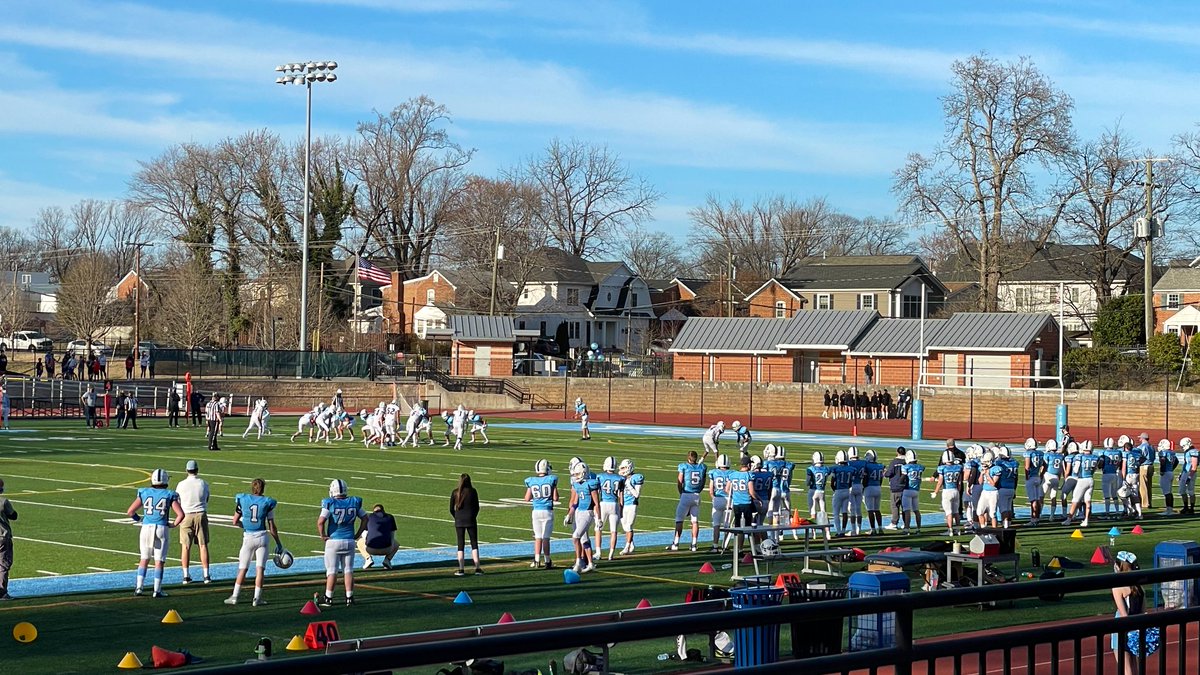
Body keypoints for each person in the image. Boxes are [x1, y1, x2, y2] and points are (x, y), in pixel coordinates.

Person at [224, 478, 282, 606]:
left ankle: (235, 596)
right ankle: (257, 598)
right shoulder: (268, 502)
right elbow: (272, 526)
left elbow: (234, 521)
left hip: (248, 537)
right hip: (262, 537)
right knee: (260, 569)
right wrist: (278, 543)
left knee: (243, 569)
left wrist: (244, 525)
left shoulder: (242, 499)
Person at [126, 469, 184, 598]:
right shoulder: (169, 494)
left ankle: (139, 588)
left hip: (146, 527)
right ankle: (157, 590)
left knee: (144, 559)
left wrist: (140, 519)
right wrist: (173, 524)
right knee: (159, 561)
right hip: (161, 528)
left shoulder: (144, 492)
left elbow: (130, 512)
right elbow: (181, 514)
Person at [318, 479, 367, 606]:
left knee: (332, 571)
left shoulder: (330, 503)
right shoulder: (354, 502)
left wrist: (323, 535)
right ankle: (349, 598)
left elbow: (321, 521)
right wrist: (358, 533)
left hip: (334, 541)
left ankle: (328, 598)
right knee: (348, 570)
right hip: (349, 540)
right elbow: (365, 518)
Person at [1111, 551, 1159, 674]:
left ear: (1118, 566)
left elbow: (1123, 614)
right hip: (1138, 627)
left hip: (1122, 628)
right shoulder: (1139, 587)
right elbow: (1143, 612)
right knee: (1135, 668)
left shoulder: (1117, 586)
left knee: (1126, 669)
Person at [177, 460, 211, 584]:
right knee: (203, 545)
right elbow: (207, 498)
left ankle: (186, 575)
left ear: (186, 470)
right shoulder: (203, 483)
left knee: (185, 546)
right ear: (197, 470)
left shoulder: (181, 484)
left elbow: (178, 501)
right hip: (200, 513)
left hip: (186, 515)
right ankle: (206, 575)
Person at [668, 450, 707, 551]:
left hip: (686, 494)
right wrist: (698, 490)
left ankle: (676, 543)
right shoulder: (702, 467)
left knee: (679, 519)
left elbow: (680, 481)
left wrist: (681, 493)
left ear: (688, 458)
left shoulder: (683, 466)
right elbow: (703, 482)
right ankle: (694, 544)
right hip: (697, 495)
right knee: (695, 521)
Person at [524, 460, 558, 569]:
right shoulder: (551, 479)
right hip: (548, 511)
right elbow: (556, 498)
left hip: (536, 511)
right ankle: (547, 561)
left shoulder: (531, 480)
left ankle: (537, 560)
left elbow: (527, 498)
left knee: (538, 537)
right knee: (546, 538)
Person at [567, 461, 600, 572]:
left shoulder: (591, 484)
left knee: (576, 536)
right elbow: (575, 502)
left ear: (583, 473)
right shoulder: (577, 485)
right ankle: (590, 563)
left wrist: (598, 518)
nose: (575, 476)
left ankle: (579, 561)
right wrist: (570, 514)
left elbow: (596, 503)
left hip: (588, 512)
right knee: (584, 539)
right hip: (579, 512)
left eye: (577, 474)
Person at [450, 474, 482, 576]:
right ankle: (477, 568)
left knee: (460, 544)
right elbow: (477, 507)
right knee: (474, 543)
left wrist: (457, 517)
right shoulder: (473, 492)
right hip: (471, 519)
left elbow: (451, 509)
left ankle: (461, 569)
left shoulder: (455, 492)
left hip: (459, 520)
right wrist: (473, 516)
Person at [1063, 441, 1099, 528]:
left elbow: (1075, 470)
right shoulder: (1095, 457)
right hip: (1090, 479)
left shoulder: (1080, 456)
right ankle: (1086, 520)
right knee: (1088, 500)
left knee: (1075, 500)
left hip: (1082, 479)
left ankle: (1069, 519)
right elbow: (1094, 469)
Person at [595, 457, 625, 560]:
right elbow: (621, 495)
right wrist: (621, 509)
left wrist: (595, 506)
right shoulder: (620, 478)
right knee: (613, 531)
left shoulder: (600, 477)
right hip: (614, 504)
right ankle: (611, 554)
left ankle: (598, 552)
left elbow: (597, 493)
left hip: (603, 504)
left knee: (598, 528)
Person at [357, 503, 399, 570]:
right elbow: (392, 533)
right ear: (383, 510)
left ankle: (368, 558)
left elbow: (364, 533)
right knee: (396, 544)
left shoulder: (369, 517)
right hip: (387, 549)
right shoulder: (390, 517)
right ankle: (387, 560)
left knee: (359, 542)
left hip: (370, 549)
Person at [931, 449, 963, 536]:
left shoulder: (942, 468)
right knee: (956, 512)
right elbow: (960, 482)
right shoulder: (958, 467)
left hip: (947, 491)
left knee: (948, 512)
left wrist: (935, 492)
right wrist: (958, 491)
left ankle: (950, 530)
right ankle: (958, 530)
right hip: (955, 490)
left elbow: (940, 481)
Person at [617, 459, 644, 556]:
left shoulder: (636, 478)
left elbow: (637, 495)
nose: (622, 470)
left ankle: (627, 547)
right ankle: (631, 544)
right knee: (625, 526)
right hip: (624, 504)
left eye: (624, 468)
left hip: (632, 504)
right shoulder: (622, 479)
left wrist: (628, 484)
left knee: (628, 526)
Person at [0, 477, 17, 600]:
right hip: (2, 536)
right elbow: (13, 515)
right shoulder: (3, 502)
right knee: (3, 564)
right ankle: (2, 593)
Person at [901, 449, 925, 534]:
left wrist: (900, 481)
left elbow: (903, 478)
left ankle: (907, 528)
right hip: (916, 490)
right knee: (916, 510)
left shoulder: (905, 467)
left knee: (907, 510)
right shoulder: (920, 467)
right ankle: (919, 528)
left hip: (907, 490)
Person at [883, 447, 908, 529]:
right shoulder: (907, 462)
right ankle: (906, 523)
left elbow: (889, 473)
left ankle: (894, 523)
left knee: (895, 505)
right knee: (905, 506)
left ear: (897, 452)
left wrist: (884, 472)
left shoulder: (894, 462)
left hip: (895, 486)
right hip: (905, 486)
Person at [1023, 438, 1046, 526]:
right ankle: (1037, 518)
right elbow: (1045, 465)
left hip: (1031, 478)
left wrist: (1026, 477)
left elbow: (1027, 467)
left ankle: (1033, 519)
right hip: (1037, 477)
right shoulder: (1040, 453)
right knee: (1037, 499)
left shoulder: (1029, 453)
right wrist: (1041, 474)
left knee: (1033, 500)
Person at [807, 452, 831, 524]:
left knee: (813, 511)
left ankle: (813, 533)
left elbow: (807, 482)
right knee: (823, 511)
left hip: (813, 491)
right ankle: (827, 532)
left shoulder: (810, 469)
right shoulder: (826, 468)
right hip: (822, 491)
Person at [1158, 438, 1179, 516]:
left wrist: (1162, 470)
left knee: (1167, 493)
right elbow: (1176, 461)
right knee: (1169, 492)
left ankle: (1168, 510)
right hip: (1170, 472)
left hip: (1166, 473)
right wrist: (1171, 469)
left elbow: (1163, 461)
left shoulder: (1163, 452)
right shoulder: (1172, 452)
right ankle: (1170, 509)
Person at [1179, 437, 1198, 515]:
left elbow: (1194, 466)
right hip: (1185, 472)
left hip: (1191, 473)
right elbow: (1185, 464)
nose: (1183, 448)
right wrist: (1181, 473)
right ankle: (1186, 506)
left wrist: (1190, 476)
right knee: (1182, 490)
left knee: (1191, 491)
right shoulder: (1187, 452)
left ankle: (1192, 508)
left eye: (1183, 446)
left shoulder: (1193, 452)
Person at [1135, 432, 1154, 510]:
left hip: (1144, 466)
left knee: (1143, 486)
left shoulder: (1141, 447)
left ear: (1142, 438)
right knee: (1149, 485)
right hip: (1151, 466)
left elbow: (1140, 457)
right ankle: (1149, 501)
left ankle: (1145, 503)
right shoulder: (1151, 447)